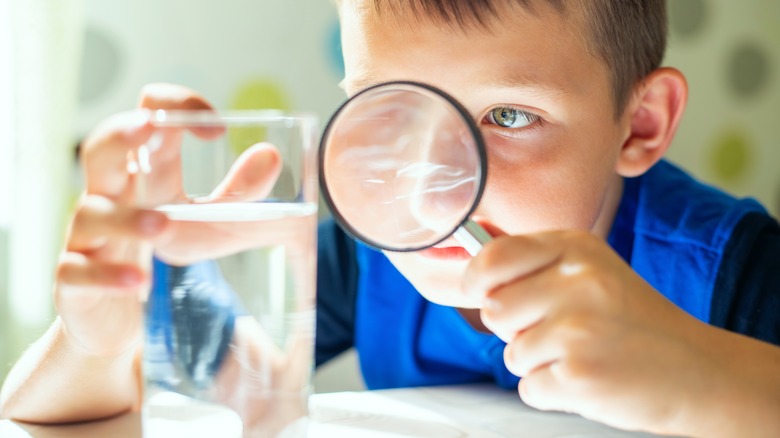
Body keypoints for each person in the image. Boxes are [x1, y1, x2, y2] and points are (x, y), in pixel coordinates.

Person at [2, 0, 779, 436]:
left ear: (639, 125)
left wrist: (701, 375)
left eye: (508, 115)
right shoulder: (364, 257)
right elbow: (82, 418)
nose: (436, 179)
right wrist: (99, 338)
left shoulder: (728, 266)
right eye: (393, 112)